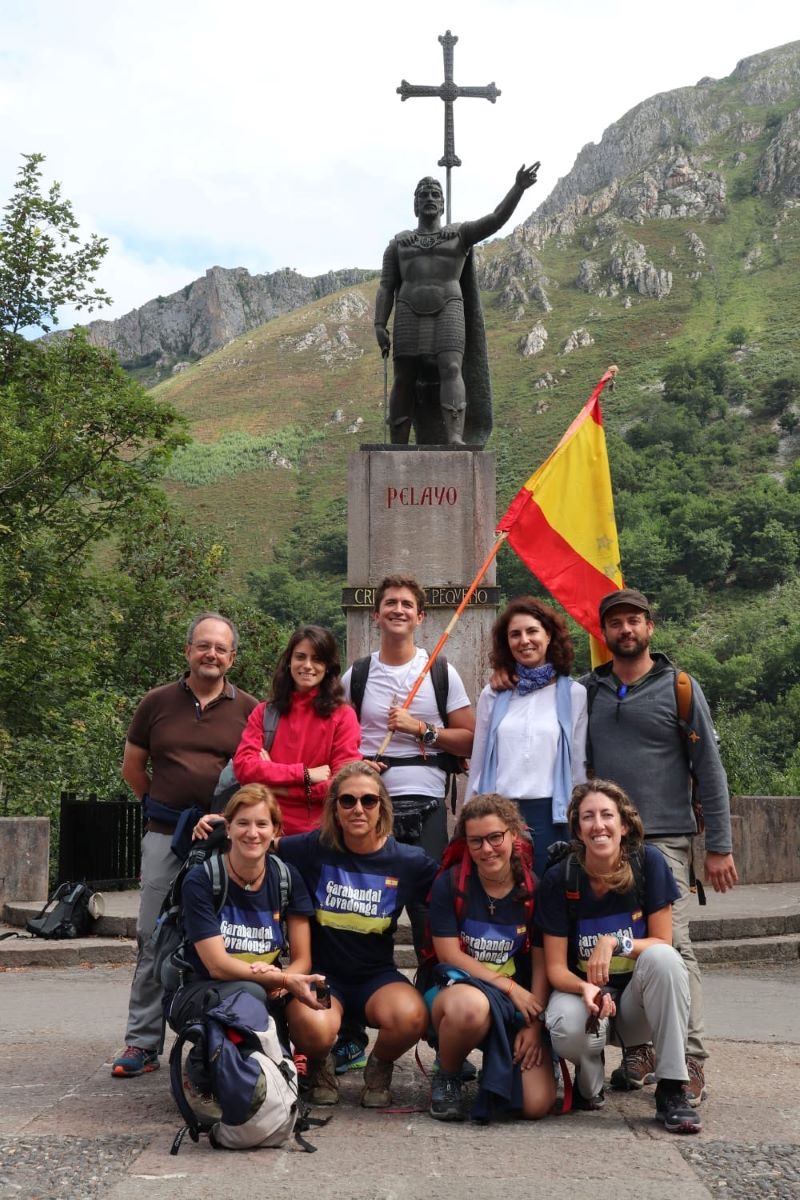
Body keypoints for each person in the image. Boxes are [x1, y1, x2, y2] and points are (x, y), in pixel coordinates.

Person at [582, 588, 738, 1105]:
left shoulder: (681, 688)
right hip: (602, 839)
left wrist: (719, 845)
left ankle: (689, 1059)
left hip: (665, 838)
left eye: (634, 621)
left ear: (651, 626)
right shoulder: (590, 690)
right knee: (613, 942)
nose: (625, 630)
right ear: (604, 634)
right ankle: (639, 1048)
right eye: (616, 623)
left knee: (672, 945)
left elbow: (709, 771)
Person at [112, 612, 258, 1077]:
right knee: (154, 935)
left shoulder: (250, 710)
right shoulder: (155, 703)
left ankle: (224, 1033)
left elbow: (255, 773)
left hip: (226, 843)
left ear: (232, 657)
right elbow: (133, 768)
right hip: (165, 836)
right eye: (203, 646)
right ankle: (141, 1042)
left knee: (233, 936)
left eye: (220, 648)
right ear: (188, 651)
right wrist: (163, 811)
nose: (211, 654)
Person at [537, 781, 701, 1135]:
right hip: (588, 1000)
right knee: (565, 1023)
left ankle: (672, 1087)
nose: (598, 824)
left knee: (667, 960)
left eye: (607, 815)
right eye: (588, 817)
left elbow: (661, 941)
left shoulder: (649, 862)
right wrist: (585, 989)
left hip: (635, 1006)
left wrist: (615, 942)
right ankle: (588, 1066)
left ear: (623, 825)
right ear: (578, 829)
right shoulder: (560, 877)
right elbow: (553, 968)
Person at [276, 761, 438, 1109]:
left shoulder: (408, 861)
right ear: (334, 807)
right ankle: (319, 1064)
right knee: (313, 1027)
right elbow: (257, 843)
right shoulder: (311, 849)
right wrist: (216, 825)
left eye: (369, 800)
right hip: (322, 977)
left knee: (411, 1016)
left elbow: (455, 886)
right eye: (347, 801)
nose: (358, 809)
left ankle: (379, 1066)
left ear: (383, 806)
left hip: (375, 977)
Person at [342, 575, 474, 955]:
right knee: (368, 903)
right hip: (369, 806)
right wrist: (360, 764)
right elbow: (338, 738)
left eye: (406, 605)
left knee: (427, 904)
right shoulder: (359, 674)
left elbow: (469, 738)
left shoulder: (439, 672)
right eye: (390, 604)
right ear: (376, 615)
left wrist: (422, 729)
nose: (398, 610)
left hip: (427, 803)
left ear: (420, 617)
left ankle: (433, 988)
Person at [375, 165, 539, 446]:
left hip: (448, 307)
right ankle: (398, 444)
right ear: (415, 205)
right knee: (405, 377)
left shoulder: (459, 235)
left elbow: (496, 219)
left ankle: (454, 437)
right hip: (407, 310)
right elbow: (386, 286)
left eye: (435, 193)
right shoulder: (398, 244)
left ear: (442, 204)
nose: (429, 197)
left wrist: (518, 188)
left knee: (451, 368)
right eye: (423, 194)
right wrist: (379, 323)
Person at [164, 784, 329, 1060]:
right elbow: (217, 965)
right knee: (251, 992)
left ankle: (304, 1061)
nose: (252, 833)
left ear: (276, 830)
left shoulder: (287, 878)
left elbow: (303, 958)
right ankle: (205, 1069)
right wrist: (283, 979)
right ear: (227, 828)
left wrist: (285, 981)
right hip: (199, 988)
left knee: (315, 1016)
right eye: (242, 823)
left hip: (267, 987)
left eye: (262, 824)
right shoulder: (202, 879)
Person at [426, 793, 555, 1122]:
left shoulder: (533, 889)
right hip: (453, 992)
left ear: (513, 834)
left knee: (536, 1104)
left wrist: (535, 1025)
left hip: (515, 1003)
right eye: (476, 841)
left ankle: (498, 1068)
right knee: (472, 1007)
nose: (487, 849)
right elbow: (449, 954)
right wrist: (509, 988)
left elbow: (542, 964)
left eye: (495, 837)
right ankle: (449, 1073)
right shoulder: (450, 884)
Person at [466, 597, 588, 878]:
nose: (524, 640)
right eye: (515, 634)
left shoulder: (574, 694)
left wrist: (581, 816)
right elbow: (480, 759)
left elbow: (578, 762)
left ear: (548, 635)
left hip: (552, 815)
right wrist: (468, 817)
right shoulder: (493, 693)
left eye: (532, 631)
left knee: (550, 899)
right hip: (498, 815)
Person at [227, 625, 361, 836]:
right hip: (264, 834)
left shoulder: (343, 716)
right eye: (300, 657)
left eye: (317, 659)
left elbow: (342, 786)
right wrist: (305, 774)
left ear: (328, 666)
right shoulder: (264, 712)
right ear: (289, 661)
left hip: (317, 837)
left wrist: (277, 785)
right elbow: (243, 768)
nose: (307, 665)